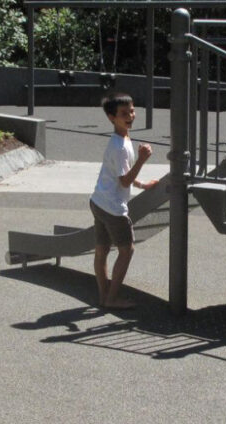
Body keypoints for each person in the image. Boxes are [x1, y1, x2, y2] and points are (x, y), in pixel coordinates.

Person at [88, 92, 158, 309]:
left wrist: (143, 184)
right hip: (112, 209)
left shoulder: (122, 139)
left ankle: (102, 296)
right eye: (124, 113)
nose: (130, 116)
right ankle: (111, 298)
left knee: (102, 250)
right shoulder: (119, 146)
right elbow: (125, 180)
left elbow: (121, 176)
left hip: (98, 202)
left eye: (132, 110)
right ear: (112, 117)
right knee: (127, 250)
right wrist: (143, 160)